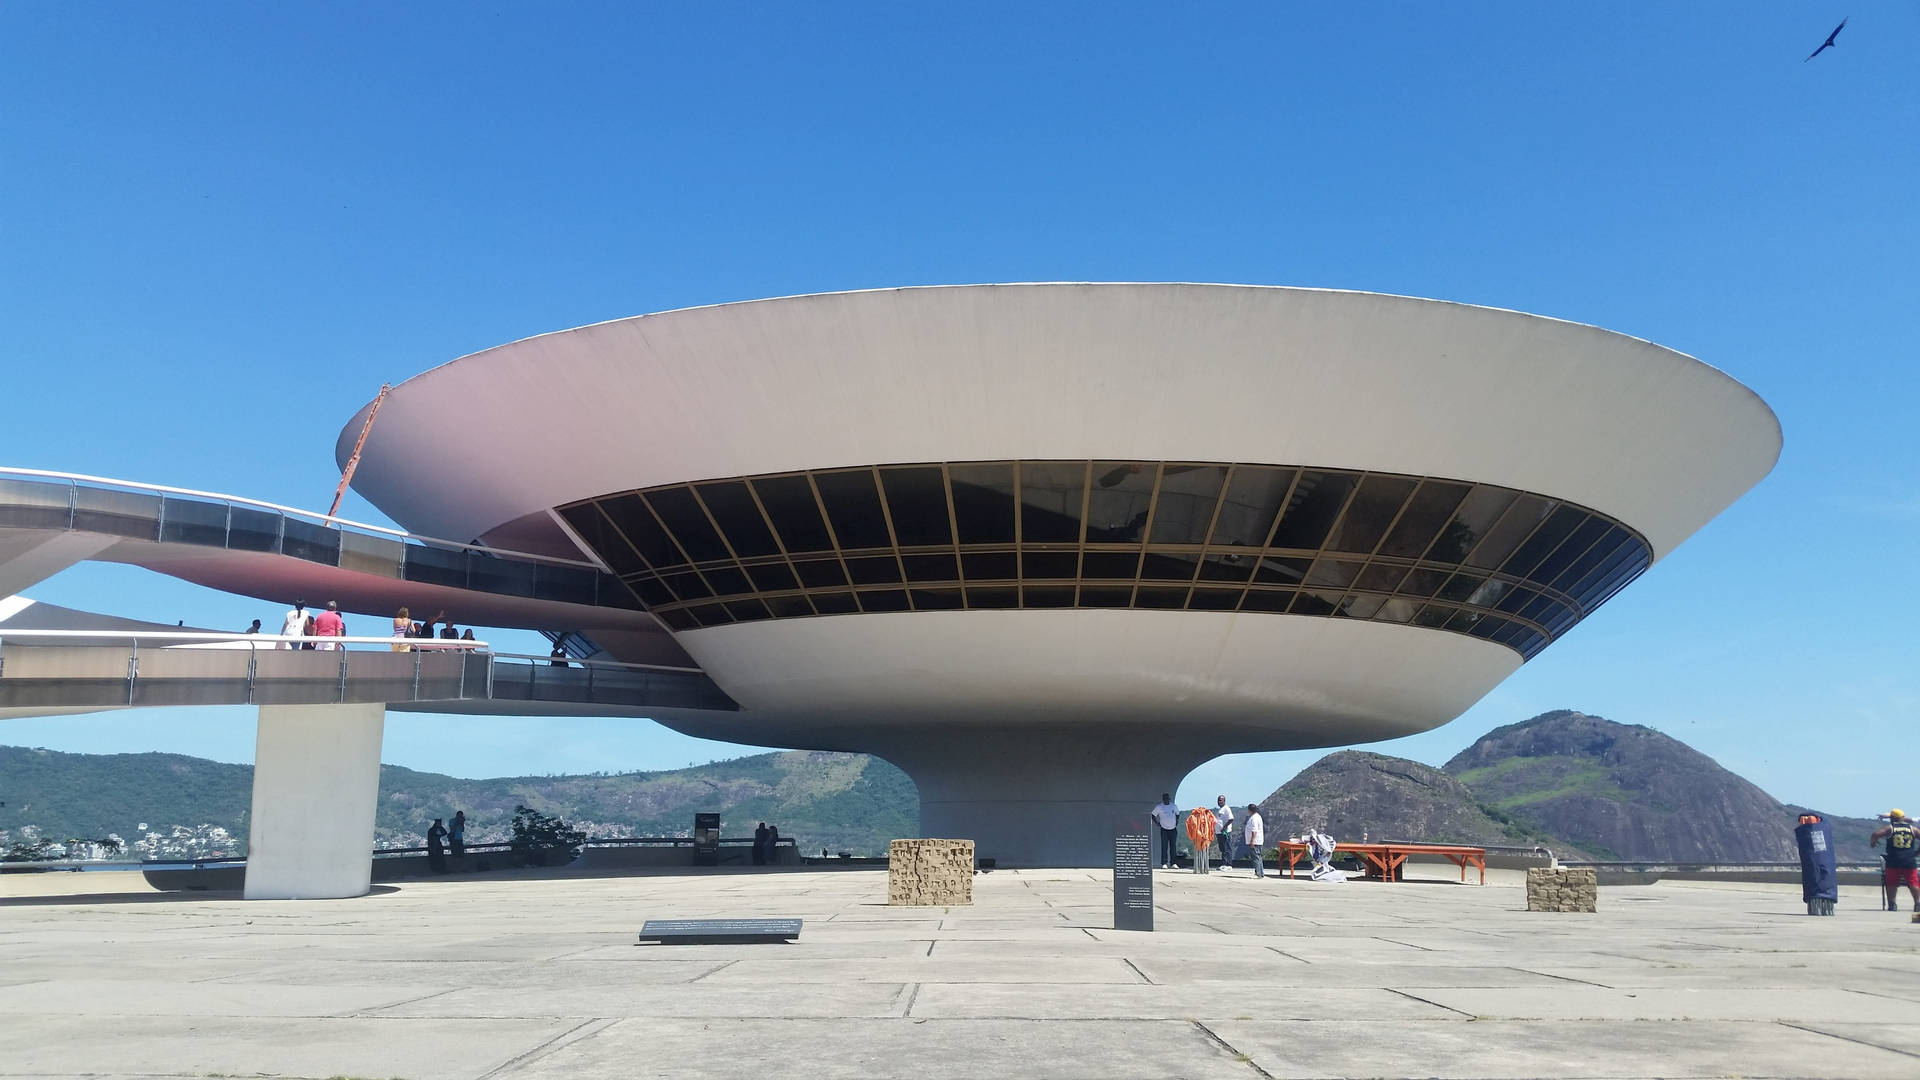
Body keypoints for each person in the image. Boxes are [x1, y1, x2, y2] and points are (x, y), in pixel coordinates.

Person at [1870, 809, 1920, 912]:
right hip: (1909, 860)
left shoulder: (1890, 828)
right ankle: (1917, 904)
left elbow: (1875, 834)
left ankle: (1892, 905)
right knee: (1913, 882)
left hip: (1893, 860)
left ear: (1892, 819)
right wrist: (1917, 852)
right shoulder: (1912, 829)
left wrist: (1873, 843)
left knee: (1892, 883)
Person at [1150, 793, 1179, 869]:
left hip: (1173, 829)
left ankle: (1173, 863)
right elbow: (1153, 815)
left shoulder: (1173, 806)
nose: (1166, 800)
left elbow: (1177, 814)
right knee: (1164, 846)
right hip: (1164, 829)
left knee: (1173, 847)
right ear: (1163, 799)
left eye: (1167, 798)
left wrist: (1177, 821)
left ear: (1169, 799)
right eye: (1164, 798)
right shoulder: (1159, 807)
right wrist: (1157, 823)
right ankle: (1164, 863)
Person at [1243, 803, 1266, 879]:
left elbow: (1254, 830)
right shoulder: (1256, 816)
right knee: (1258, 857)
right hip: (1257, 840)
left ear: (1250, 810)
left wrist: (1252, 841)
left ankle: (1259, 873)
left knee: (1256, 857)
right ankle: (1260, 872)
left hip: (1256, 841)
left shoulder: (1254, 818)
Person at [1213, 795, 1235, 871]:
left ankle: (1229, 864)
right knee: (1222, 848)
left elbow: (1231, 819)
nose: (1219, 802)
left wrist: (1224, 827)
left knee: (1227, 848)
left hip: (1225, 832)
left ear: (1224, 801)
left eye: (1221, 800)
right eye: (1218, 800)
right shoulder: (1219, 810)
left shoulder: (1226, 809)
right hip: (1219, 832)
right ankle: (1223, 863)